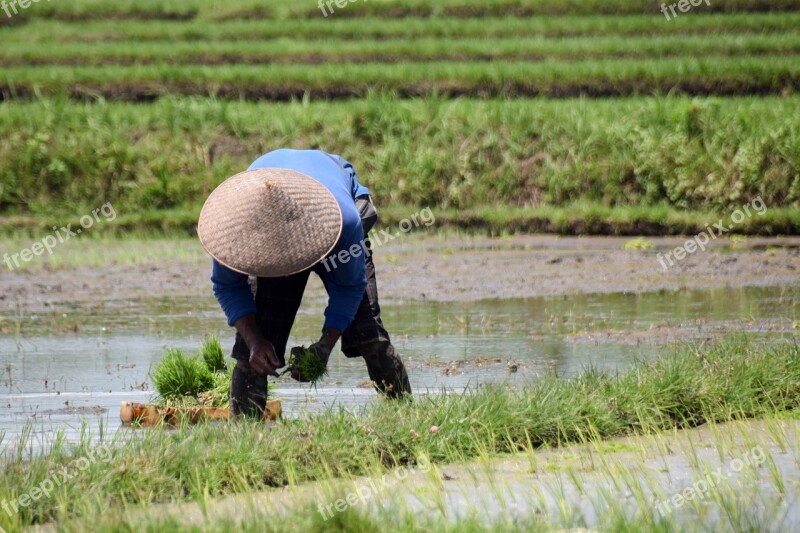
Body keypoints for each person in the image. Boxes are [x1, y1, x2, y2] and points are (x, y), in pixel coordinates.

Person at [197, 149, 412, 417]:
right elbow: (227, 286)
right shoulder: (232, 227)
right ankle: (244, 435)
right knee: (252, 355)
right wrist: (255, 341)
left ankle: (405, 418)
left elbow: (350, 287)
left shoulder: (346, 221)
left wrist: (325, 345)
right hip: (266, 209)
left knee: (369, 335)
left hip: (331, 214)